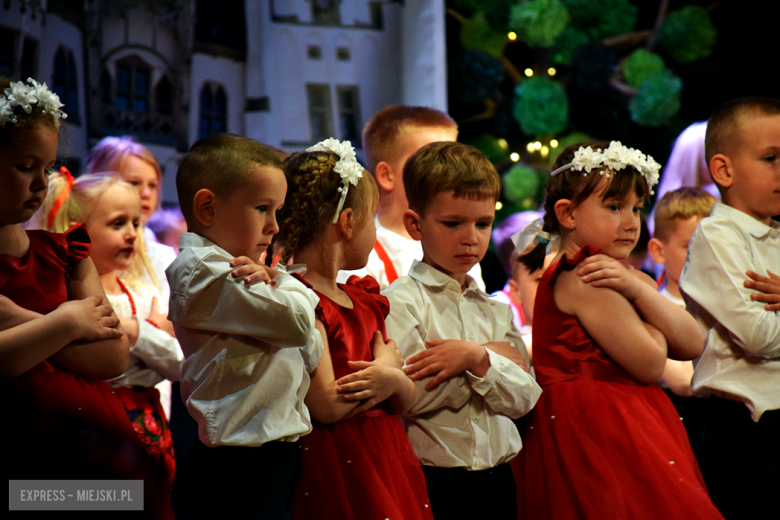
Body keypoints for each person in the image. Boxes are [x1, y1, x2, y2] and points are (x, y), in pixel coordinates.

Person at [515, 141, 724, 519]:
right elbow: (648, 362)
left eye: (636, 208)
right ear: (568, 214)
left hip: (620, 418)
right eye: (614, 207)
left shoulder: (616, 273)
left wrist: (637, 288)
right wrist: (643, 298)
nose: (631, 222)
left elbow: (694, 342)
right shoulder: (586, 274)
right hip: (598, 430)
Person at [0, 77, 170, 516]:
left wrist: (29, 321)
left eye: (48, 167)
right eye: (24, 167)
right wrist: (68, 323)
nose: (40, 183)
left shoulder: (66, 252)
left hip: (87, 430)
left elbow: (112, 356)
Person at [272, 138, 433, 520]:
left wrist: (393, 381)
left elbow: (406, 400)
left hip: (385, 454)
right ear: (347, 224)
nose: (375, 231)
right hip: (336, 461)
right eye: (372, 217)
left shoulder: (366, 300)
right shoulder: (303, 300)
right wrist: (388, 375)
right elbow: (325, 405)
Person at [166, 133, 322, 520]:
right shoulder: (203, 271)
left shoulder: (242, 272)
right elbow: (301, 324)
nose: (273, 226)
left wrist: (278, 282)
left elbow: (311, 351)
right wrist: (284, 280)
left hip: (271, 458)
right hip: (234, 469)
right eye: (262, 208)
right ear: (207, 208)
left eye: (278, 211)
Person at [383, 141, 542, 520]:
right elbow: (411, 396)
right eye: (453, 223)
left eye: (483, 224)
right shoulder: (400, 302)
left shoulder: (496, 309)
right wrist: (494, 366)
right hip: (436, 481)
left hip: (500, 478)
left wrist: (475, 357)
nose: (471, 237)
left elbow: (526, 397)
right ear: (414, 224)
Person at [41, 171, 184, 485]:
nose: (133, 234)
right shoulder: (64, 297)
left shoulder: (145, 294)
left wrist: (134, 331)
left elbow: (179, 363)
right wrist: (150, 338)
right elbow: (98, 369)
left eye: (136, 223)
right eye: (118, 224)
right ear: (77, 230)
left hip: (150, 423)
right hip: (94, 424)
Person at [679, 98, 780, 520]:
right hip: (745, 430)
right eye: (771, 158)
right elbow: (758, 336)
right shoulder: (717, 237)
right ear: (723, 170)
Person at [338, 105, 485, 290]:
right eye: (435, 164)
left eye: (456, 164)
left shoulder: (462, 249)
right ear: (386, 175)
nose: (453, 176)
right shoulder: (363, 261)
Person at [86, 136, 177, 301]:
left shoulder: (162, 256)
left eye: (153, 185)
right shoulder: (84, 249)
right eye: (134, 183)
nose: (146, 194)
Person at [647, 188, 717, 397]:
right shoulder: (650, 309)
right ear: (659, 252)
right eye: (692, 245)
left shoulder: (731, 302)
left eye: (716, 245)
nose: (707, 255)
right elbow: (684, 382)